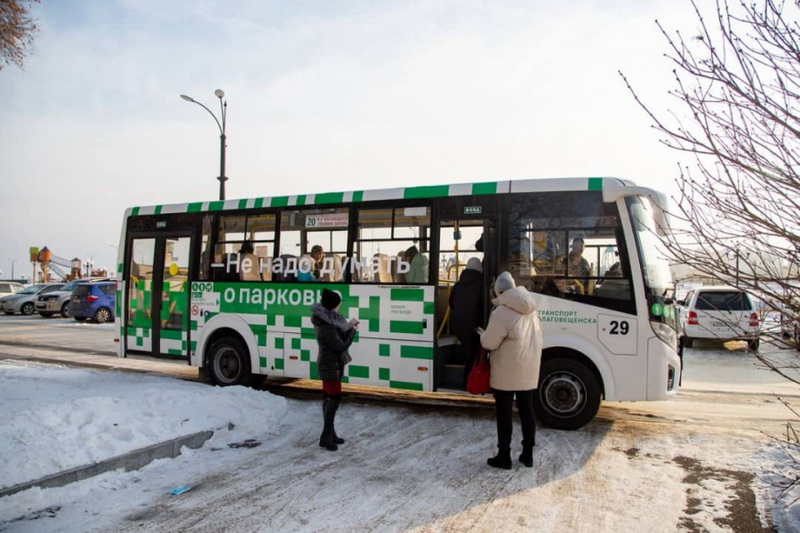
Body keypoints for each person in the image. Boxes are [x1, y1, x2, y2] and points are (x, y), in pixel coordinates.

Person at [478, 271, 542, 469]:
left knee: (504, 414)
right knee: (527, 411)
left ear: (498, 292)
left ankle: (504, 456)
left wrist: (482, 335)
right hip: (528, 368)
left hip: (507, 370)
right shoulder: (531, 309)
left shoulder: (502, 312)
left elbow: (489, 343)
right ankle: (528, 454)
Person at [311, 288, 359, 451]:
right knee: (334, 398)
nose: (339, 307)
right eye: (338, 304)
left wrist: (347, 328)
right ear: (333, 306)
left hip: (332, 365)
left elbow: (338, 341)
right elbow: (340, 346)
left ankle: (330, 433)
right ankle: (326, 435)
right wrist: (352, 331)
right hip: (329, 365)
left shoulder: (328, 321)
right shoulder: (327, 326)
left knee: (329, 398)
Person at [449, 257, 484, 387]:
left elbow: (451, 303)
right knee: (472, 358)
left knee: (467, 353)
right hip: (474, 327)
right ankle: (469, 383)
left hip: (458, 326)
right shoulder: (481, 284)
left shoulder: (458, 285)